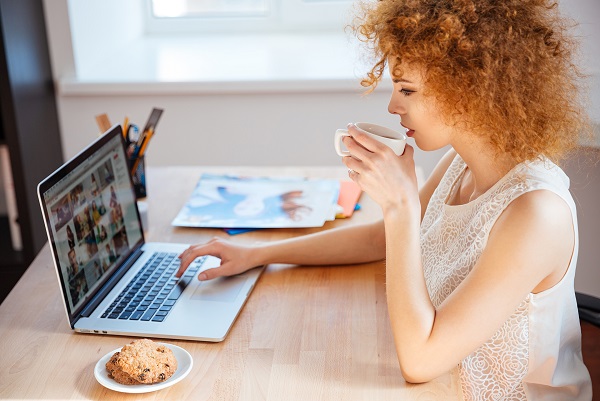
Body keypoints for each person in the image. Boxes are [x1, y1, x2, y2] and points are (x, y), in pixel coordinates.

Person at [176, 1, 592, 399]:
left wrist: (400, 206)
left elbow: (420, 360)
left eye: (407, 90)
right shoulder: (460, 163)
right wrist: (257, 253)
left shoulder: (536, 214)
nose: (393, 106)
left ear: (471, 90)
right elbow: (378, 242)